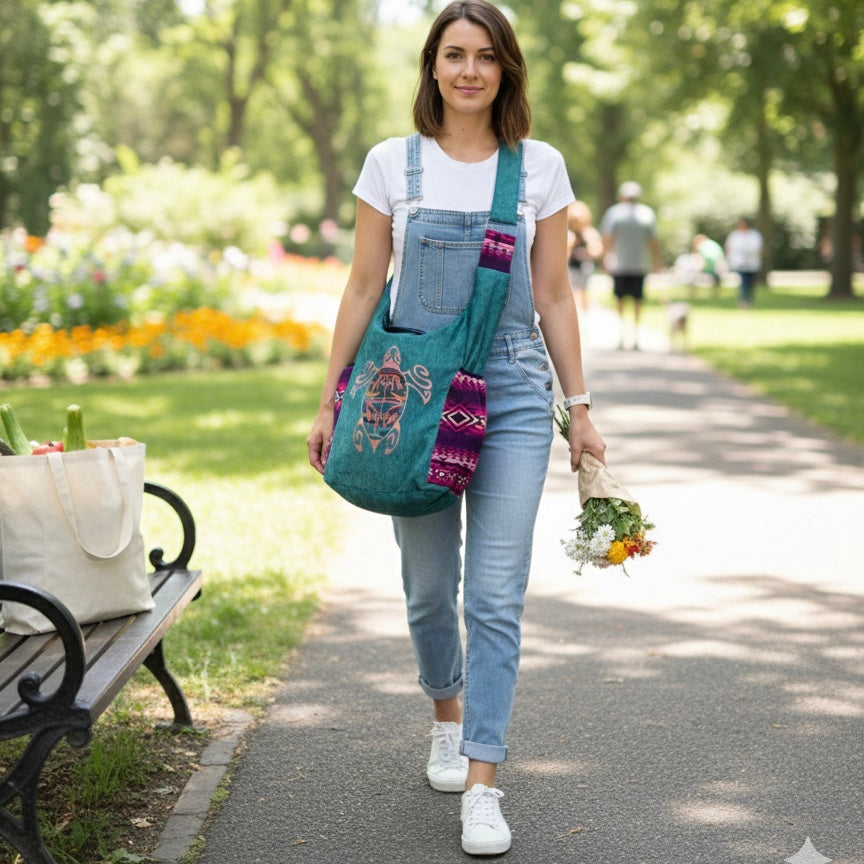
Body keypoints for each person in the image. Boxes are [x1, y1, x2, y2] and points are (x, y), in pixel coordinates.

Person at [306, 0, 605, 855]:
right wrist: (331, 398)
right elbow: (364, 289)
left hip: (509, 388)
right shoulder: (391, 165)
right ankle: (447, 713)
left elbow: (552, 296)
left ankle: (484, 777)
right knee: (429, 589)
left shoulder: (538, 168)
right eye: (453, 55)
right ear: (432, 67)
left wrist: (579, 411)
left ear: (506, 69)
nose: (469, 70)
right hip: (411, 396)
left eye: (485, 57)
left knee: (496, 595)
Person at [599, 181, 662, 350]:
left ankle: (622, 335)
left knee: (620, 299)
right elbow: (654, 241)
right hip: (639, 264)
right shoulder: (647, 213)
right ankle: (633, 336)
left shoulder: (614, 213)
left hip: (620, 264)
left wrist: (605, 257)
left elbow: (607, 238)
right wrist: (657, 260)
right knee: (637, 300)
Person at [566, 200, 604, 316]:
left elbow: (598, 250)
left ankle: (583, 315)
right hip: (569, 267)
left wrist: (589, 250)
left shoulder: (589, 233)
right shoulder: (568, 233)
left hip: (584, 268)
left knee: (583, 293)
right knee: (570, 293)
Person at [724, 217, 763, 307]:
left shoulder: (754, 235)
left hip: (752, 263)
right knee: (743, 281)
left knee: (750, 282)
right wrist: (726, 259)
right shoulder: (734, 235)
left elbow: (758, 248)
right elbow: (729, 248)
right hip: (738, 263)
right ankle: (743, 300)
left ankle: (748, 300)